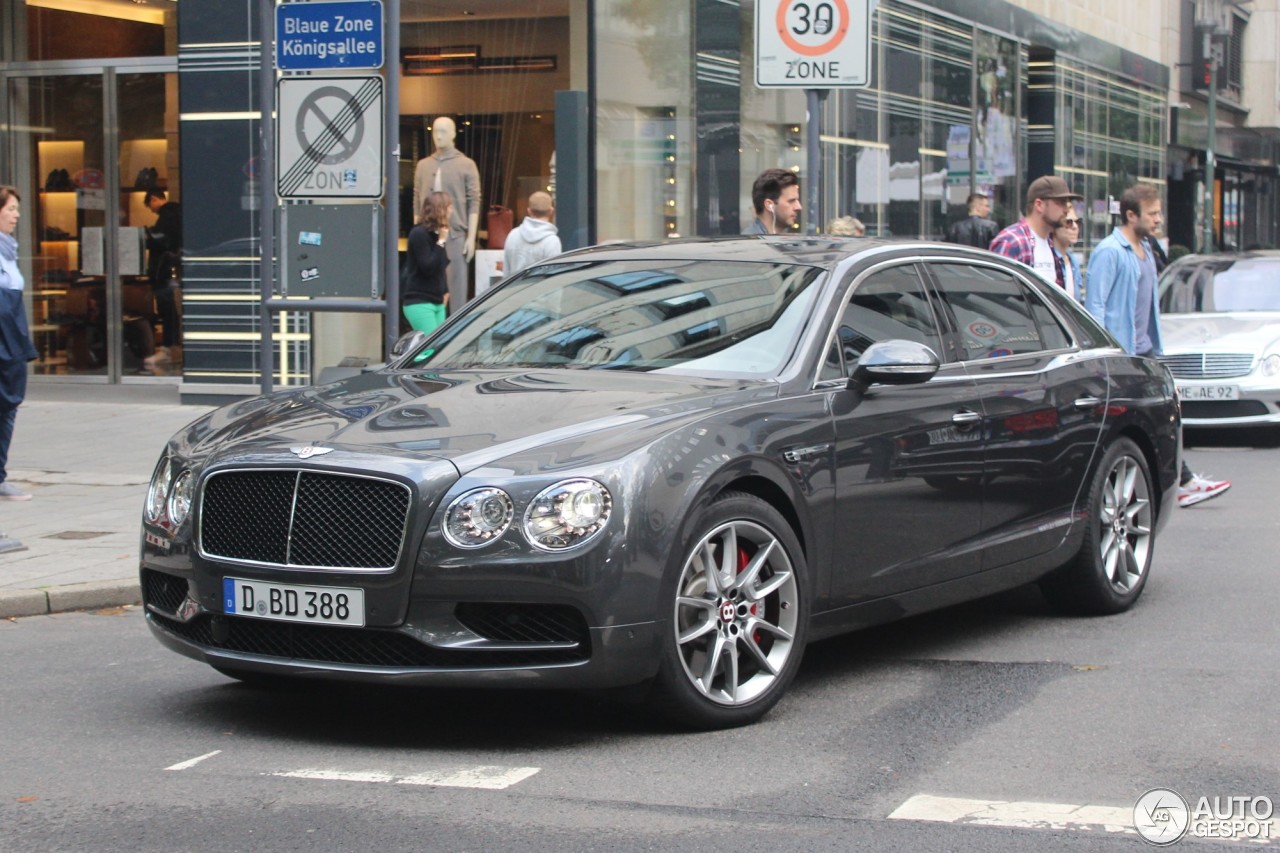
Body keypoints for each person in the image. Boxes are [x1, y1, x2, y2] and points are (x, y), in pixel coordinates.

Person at [1084, 184, 1231, 508]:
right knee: (1140, 422)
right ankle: (1175, 483)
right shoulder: (1110, 251)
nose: (1158, 219)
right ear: (1130, 215)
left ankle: (1182, 482)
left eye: (1158, 212)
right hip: (1122, 354)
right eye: (1152, 214)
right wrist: (1102, 356)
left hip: (1146, 351)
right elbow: (1094, 306)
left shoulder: (1147, 249)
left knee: (1164, 416)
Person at [413, 117, 481, 312]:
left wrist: (470, 237)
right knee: (426, 286)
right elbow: (417, 200)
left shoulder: (466, 164)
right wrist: (416, 230)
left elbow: (474, 202)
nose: (438, 136)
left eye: (443, 131)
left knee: (457, 290)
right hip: (427, 235)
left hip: (455, 234)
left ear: (453, 134)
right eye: (435, 131)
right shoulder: (423, 165)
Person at [0, 186, 38, 501]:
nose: (17, 215)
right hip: (4, 346)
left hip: (11, 346)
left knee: (7, 410)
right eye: (11, 208)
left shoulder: (8, 250)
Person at [988, 175, 1080, 289]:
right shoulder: (1012, 242)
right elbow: (996, 296)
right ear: (1039, 205)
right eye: (1060, 202)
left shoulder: (1050, 244)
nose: (1066, 209)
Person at [402, 191, 451, 334]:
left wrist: (445, 291)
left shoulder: (438, 234)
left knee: (438, 350)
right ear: (440, 209)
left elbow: (440, 267)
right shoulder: (419, 234)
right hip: (419, 301)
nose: (451, 211)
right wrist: (441, 242)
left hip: (437, 301)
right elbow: (428, 266)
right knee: (429, 350)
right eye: (449, 207)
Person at [143, 188, 181, 368]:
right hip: (172, 269)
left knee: (167, 309)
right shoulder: (177, 214)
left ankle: (168, 348)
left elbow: (161, 240)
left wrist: (147, 236)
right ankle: (172, 347)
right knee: (171, 309)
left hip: (163, 270)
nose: (152, 210)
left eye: (150, 206)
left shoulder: (167, 215)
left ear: (154, 199)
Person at [502, 191, 562, 276]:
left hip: (514, 289)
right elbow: (554, 277)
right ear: (551, 211)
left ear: (529, 211)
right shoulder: (552, 241)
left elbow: (506, 272)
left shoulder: (513, 235)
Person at [742, 168, 801, 235]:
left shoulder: (761, 239)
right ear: (769, 205)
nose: (799, 207)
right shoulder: (752, 242)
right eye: (791, 201)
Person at [1050, 204, 1084, 302]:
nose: (1075, 227)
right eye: (1069, 222)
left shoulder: (1073, 262)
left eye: (1077, 222)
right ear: (1054, 228)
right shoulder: (1047, 259)